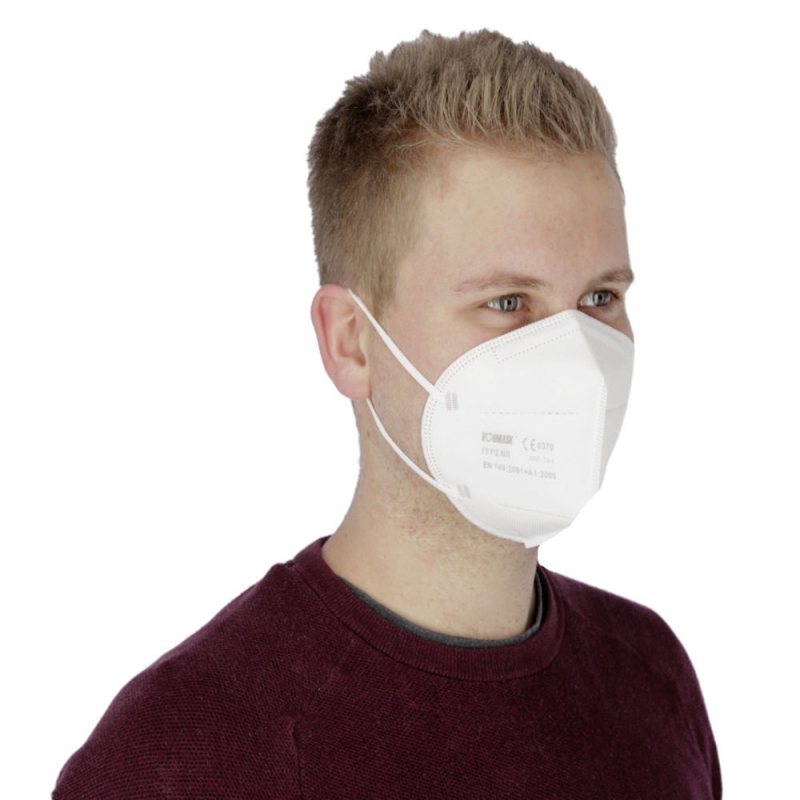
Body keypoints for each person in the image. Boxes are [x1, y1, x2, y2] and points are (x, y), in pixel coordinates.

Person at [53, 30, 721, 799]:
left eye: (600, 297)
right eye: (508, 303)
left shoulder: (650, 675)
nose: (574, 362)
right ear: (351, 342)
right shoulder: (181, 759)